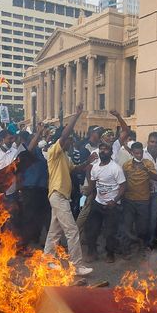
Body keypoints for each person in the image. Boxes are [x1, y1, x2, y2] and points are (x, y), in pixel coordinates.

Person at [43, 104, 93, 276]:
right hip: (57, 195)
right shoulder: (54, 152)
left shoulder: (65, 156)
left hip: (61, 196)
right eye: (70, 140)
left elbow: (75, 169)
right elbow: (64, 135)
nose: (71, 142)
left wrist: (88, 162)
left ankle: (47, 261)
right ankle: (77, 266)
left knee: (54, 231)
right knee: (72, 230)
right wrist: (77, 115)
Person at [85, 142, 126, 263]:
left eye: (106, 149)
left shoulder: (116, 168)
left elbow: (123, 186)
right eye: (101, 149)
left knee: (110, 232)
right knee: (92, 230)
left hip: (111, 206)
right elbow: (93, 183)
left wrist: (115, 200)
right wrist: (90, 196)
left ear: (111, 152)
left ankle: (110, 254)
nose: (103, 151)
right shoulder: (96, 167)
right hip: (97, 203)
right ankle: (92, 252)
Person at [120, 141, 157, 254]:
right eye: (136, 153)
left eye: (140, 153)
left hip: (143, 200)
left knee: (142, 227)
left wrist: (145, 169)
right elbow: (123, 181)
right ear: (132, 153)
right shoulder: (126, 165)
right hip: (129, 199)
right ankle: (126, 248)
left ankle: (141, 246)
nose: (139, 155)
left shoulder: (148, 163)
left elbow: (156, 178)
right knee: (127, 225)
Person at [18, 125, 50, 250]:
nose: (36, 141)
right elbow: (30, 148)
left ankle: (37, 238)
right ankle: (24, 243)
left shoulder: (40, 153)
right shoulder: (25, 150)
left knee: (42, 215)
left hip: (41, 188)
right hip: (30, 188)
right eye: (34, 139)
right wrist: (39, 132)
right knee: (29, 216)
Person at [145, 132, 157, 246]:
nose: (154, 144)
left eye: (156, 142)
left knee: (153, 218)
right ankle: (140, 240)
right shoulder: (141, 153)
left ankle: (149, 242)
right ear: (148, 142)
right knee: (143, 217)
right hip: (143, 192)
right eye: (152, 141)